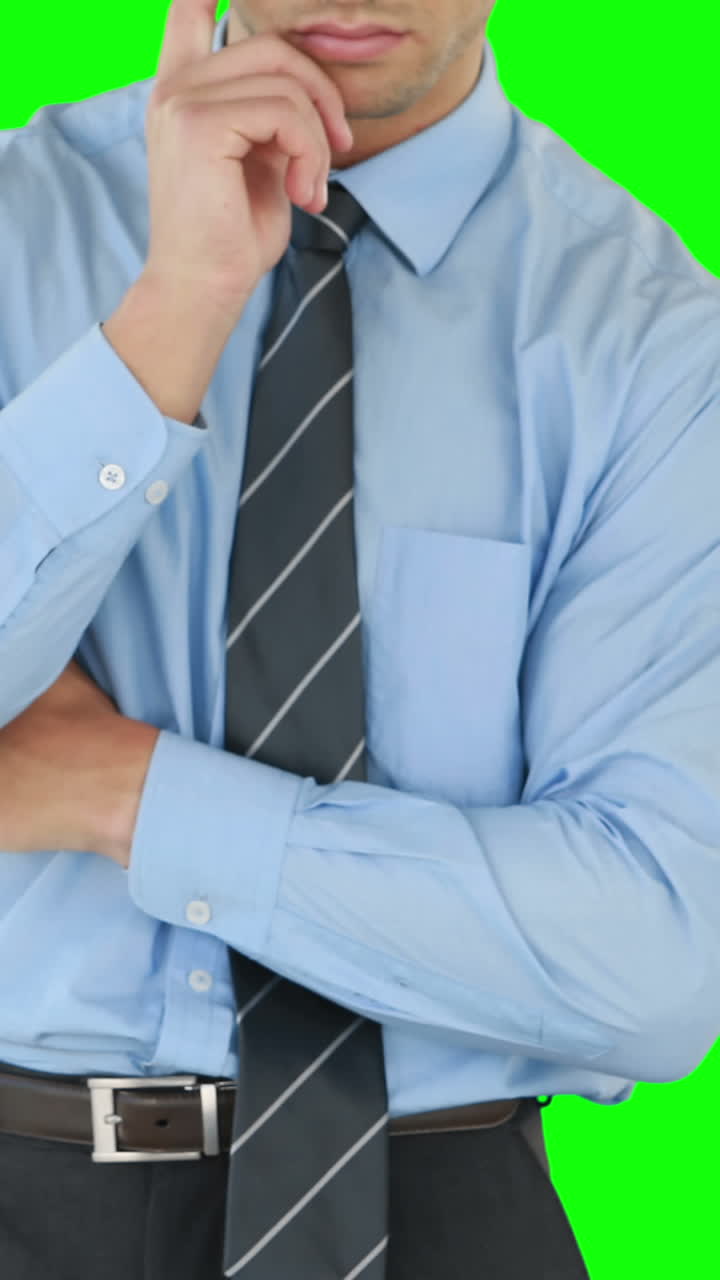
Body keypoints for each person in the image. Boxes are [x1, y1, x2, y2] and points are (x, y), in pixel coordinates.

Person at [0, 0, 719, 1275]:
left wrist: (130, 793)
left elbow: (655, 961)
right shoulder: (18, 228)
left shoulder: (654, 339)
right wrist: (179, 307)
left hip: (445, 1206)